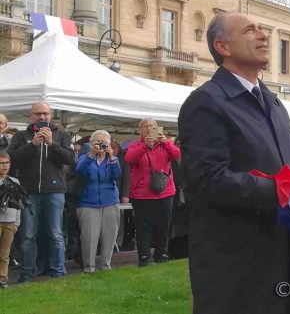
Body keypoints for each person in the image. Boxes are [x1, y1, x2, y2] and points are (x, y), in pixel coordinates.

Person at [178, 11, 290, 314]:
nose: (263, 35)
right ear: (223, 47)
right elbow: (208, 181)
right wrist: (286, 191)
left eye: (262, 28)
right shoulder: (206, 102)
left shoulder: (271, 101)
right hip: (242, 272)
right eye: (250, 30)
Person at [7, 101, 73, 282]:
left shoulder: (61, 135)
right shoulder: (21, 136)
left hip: (55, 191)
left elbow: (69, 159)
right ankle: (27, 274)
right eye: (38, 114)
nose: (42, 117)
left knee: (56, 234)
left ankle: (58, 272)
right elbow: (11, 159)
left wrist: (52, 144)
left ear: (51, 115)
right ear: (31, 115)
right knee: (28, 235)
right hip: (29, 191)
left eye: (45, 113)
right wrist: (32, 145)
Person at [125, 118, 180, 267]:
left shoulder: (165, 144)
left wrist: (167, 143)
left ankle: (161, 254)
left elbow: (177, 156)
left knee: (164, 225)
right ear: (140, 130)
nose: (149, 129)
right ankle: (144, 257)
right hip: (142, 195)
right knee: (144, 228)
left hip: (165, 193)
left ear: (158, 129)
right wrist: (144, 146)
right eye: (145, 127)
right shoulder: (135, 145)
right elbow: (129, 159)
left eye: (152, 126)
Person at [75, 130, 121, 273]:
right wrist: (91, 154)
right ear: (91, 143)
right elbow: (79, 171)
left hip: (110, 202)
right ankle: (89, 268)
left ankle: (106, 266)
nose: (101, 145)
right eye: (98, 142)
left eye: (104, 142)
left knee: (110, 235)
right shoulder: (85, 157)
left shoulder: (113, 159)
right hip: (88, 202)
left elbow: (117, 175)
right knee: (89, 237)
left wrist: (112, 156)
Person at [0, 151, 21, 288]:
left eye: (7, 163)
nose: (4, 166)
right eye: (1, 163)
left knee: (5, 254)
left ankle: (3, 278)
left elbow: (19, 204)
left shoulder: (14, 181)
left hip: (10, 221)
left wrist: (17, 223)